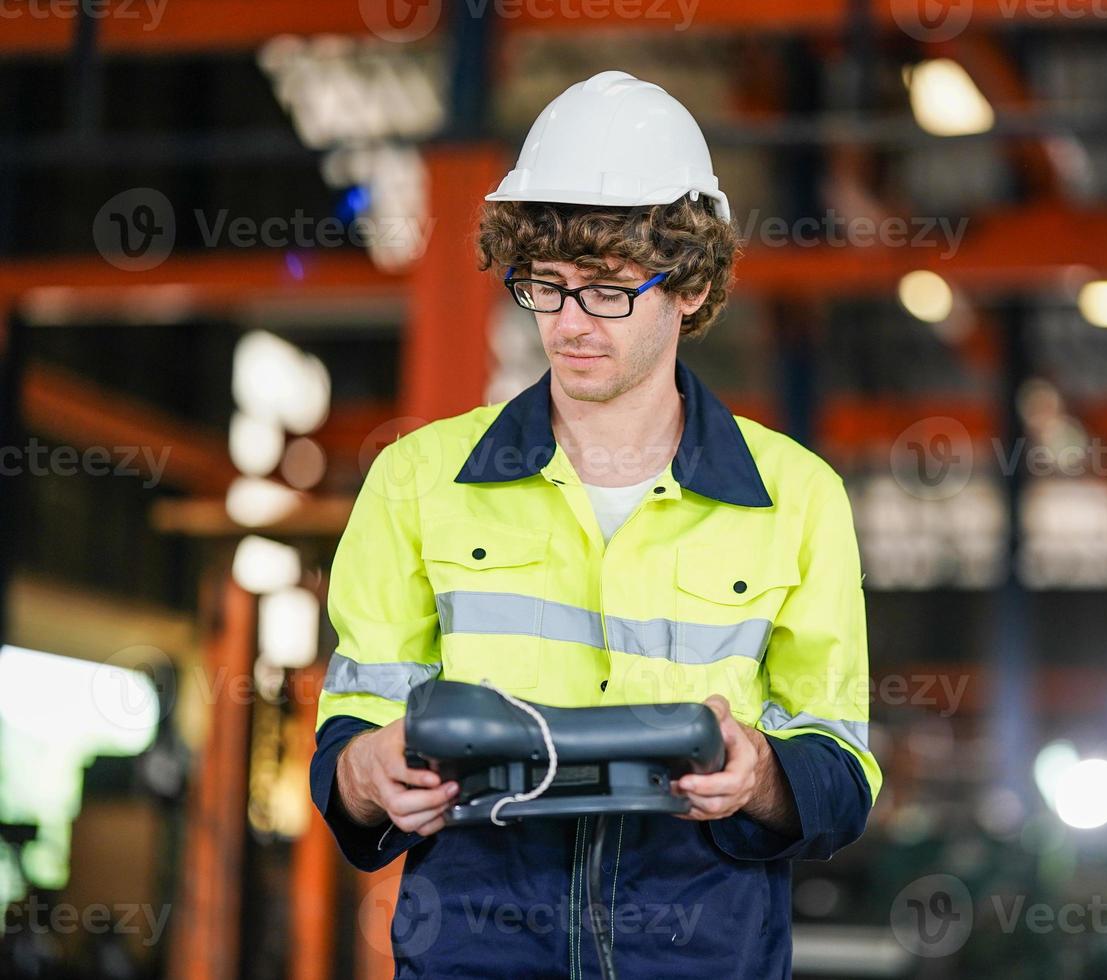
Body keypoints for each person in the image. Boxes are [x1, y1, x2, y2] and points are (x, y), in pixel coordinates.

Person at [309, 69, 880, 979]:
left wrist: (760, 776)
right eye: (546, 285)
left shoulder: (798, 498)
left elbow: (842, 771)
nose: (571, 323)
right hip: (475, 952)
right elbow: (352, 733)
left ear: (689, 287)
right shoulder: (417, 481)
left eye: (609, 290)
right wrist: (367, 773)